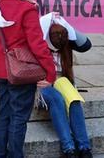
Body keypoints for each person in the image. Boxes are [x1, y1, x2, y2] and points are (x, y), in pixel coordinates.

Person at [0, 0, 56, 158]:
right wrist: (50, 72)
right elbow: (38, 45)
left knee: (3, 115)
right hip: (22, 72)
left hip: (1, 70)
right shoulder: (27, 9)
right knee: (19, 118)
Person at [38, 12, 93, 158]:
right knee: (57, 99)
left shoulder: (65, 42)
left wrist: (66, 25)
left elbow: (86, 44)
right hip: (41, 84)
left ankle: (84, 147)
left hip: (61, 80)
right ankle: (68, 148)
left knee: (74, 100)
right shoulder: (37, 40)